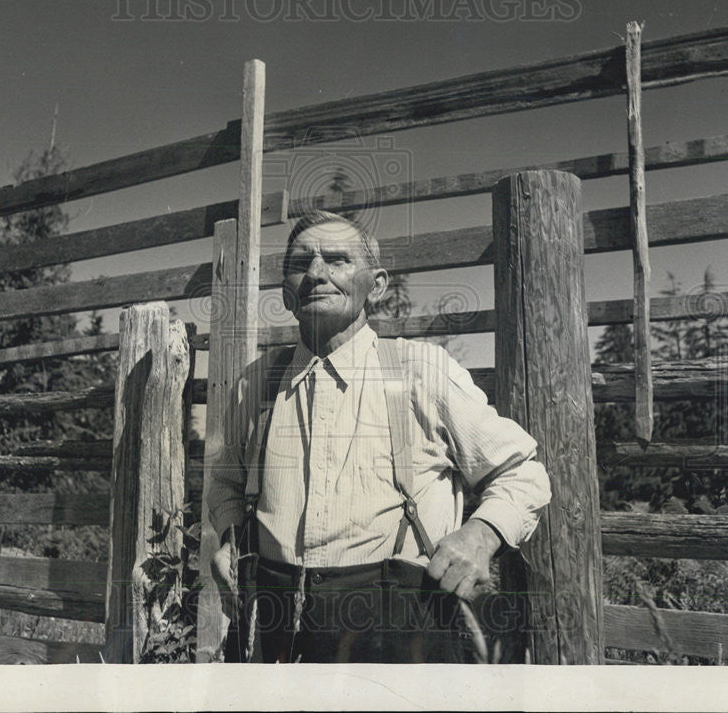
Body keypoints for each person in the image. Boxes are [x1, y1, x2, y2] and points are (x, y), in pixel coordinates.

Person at [207, 209, 551, 663]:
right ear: (286, 294)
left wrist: (480, 536)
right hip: (269, 622)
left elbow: (523, 472)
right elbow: (226, 482)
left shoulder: (419, 371)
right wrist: (232, 540)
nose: (315, 274)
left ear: (377, 284)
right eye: (300, 263)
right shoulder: (257, 383)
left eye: (337, 260)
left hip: (398, 622)